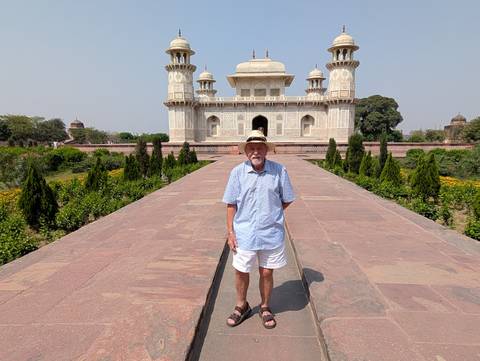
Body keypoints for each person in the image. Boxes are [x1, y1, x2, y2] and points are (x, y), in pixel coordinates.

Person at [222, 130, 295, 329]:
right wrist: (230, 232)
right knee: (241, 270)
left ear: (266, 150)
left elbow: (287, 198)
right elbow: (230, 204)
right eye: (252, 148)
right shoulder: (237, 172)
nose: (256, 152)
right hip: (244, 232)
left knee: (266, 272)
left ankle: (264, 306)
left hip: (270, 232)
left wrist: (272, 213)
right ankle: (241, 305)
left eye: (259, 148)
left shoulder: (279, 171)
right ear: (246, 152)